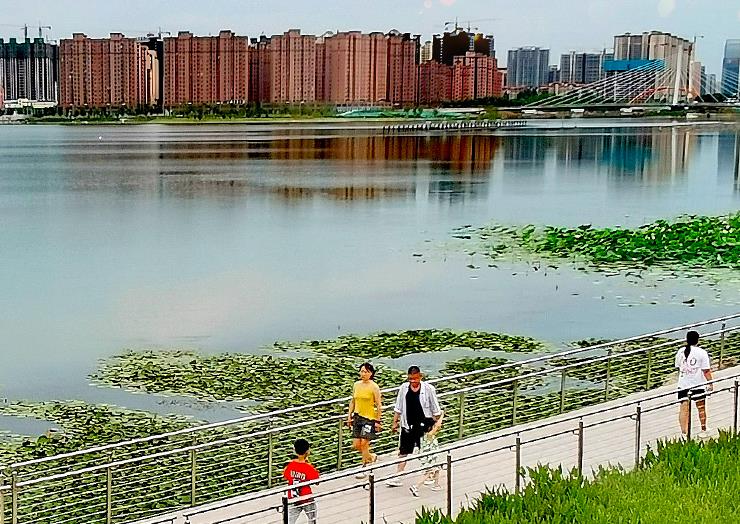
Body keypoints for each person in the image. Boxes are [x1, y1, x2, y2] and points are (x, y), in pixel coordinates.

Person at [385, 366, 443, 488]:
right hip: (407, 425)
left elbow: (435, 409)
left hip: (424, 426)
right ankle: (398, 476)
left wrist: (435, 425)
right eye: (410, 379)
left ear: (420, 376)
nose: (413, 381)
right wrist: (395, 422)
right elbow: (398, 407)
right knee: (403, 452)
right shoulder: (403, 388)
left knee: (426, 453)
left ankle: (430, 475)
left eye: (415, 379)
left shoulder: (428, 389)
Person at [675, 330, 713, 439]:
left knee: (683, 409)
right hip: (697, 384)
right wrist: (710, 383)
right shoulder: (702, 352)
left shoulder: (680, 351)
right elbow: (706, 371)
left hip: (683, 385)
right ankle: (703, 429)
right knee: (701, 407)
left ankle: (684, 433)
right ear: (697, 340)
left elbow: (678, 366)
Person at [347, 362, 382, 479]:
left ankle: (364, 467)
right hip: (357, 416)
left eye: (366, 372)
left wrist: (378, 421)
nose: (363, 374)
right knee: (356, 444)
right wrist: (349, 415)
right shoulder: (356, 385)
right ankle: (371, 457)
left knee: (364, 443)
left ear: (371, 373)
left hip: (369, 418)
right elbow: (353, 401)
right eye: (362, 371)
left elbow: (379, 405)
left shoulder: (374, 387)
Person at [283, 438, 319, 524]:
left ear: (294, 450)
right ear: (308, 451)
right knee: (312, 518)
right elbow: (317, 481)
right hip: (306, 498)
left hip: (293, 498)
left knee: (289, 520)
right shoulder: (308, 467)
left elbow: (286, 476)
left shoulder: (290, 465)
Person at [409, 410, 444, 497]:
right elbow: (438, 425)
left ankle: (436, 485)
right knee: (428, 472)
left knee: (437, 468)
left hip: (432, 456)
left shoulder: (422, 434)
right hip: (429, 458)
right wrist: (442, 415)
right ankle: (416, 487)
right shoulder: (429, 435)